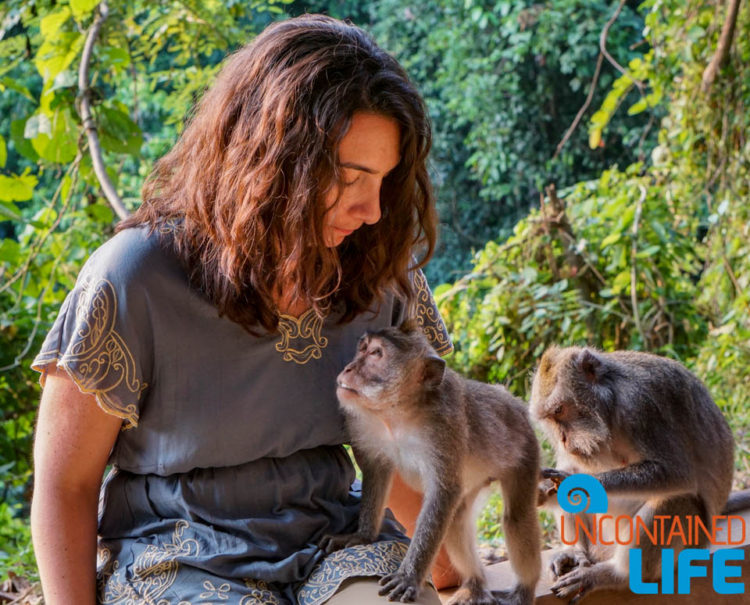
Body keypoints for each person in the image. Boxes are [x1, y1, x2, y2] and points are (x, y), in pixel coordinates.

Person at [30, 14, 455, 605]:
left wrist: (450, 570)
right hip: (178, 553)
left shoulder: (382, 276)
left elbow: (404, 445)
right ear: (271, 161)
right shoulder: (133, 278)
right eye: (350, 176)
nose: (373, 211)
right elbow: (64, 484)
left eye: (383, 180)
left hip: (335, 539)